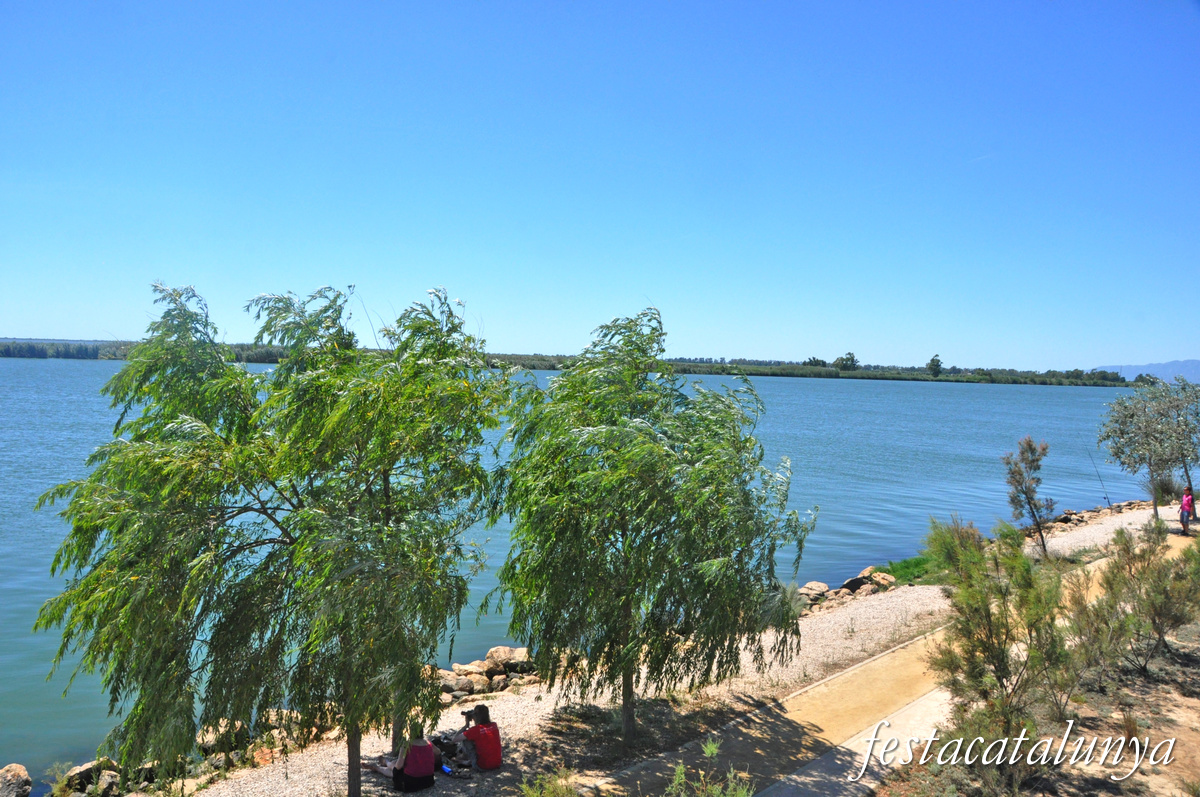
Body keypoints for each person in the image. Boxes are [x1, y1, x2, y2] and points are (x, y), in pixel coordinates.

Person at [362, 720, 437, 792]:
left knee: (395, 769)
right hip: (428, 780)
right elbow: (438, 751)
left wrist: (392, 766)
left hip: (410, 783)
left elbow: (398, 766)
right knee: (397, 766)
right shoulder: (429, 743)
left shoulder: (406, 745)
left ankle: (382, 764)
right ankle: (381, 765)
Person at [453, 704, 502, 771]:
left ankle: (470, 761)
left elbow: (454, 739)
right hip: (497, 763)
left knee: (466, 739)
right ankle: (468, 761)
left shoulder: (475, 730)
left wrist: (466, 725)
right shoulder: (494, 725)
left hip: (482, 766)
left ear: (476, 716)